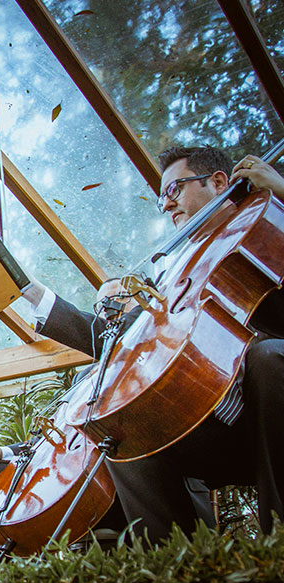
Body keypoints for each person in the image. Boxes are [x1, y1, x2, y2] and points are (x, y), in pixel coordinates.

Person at [20, 147, 284, 543]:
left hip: (265, 409)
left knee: (267, 357)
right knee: (120, 424)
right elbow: (121, 340)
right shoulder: (177, 264)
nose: (165, 204)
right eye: (161, 197)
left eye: (174, 188)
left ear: (217, 182)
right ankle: (173, 563)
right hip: (209, 417)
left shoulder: (267, 221)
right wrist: (30, 291)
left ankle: (277, 540)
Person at [0, 279, 215, 558]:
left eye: (119, 300)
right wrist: (2, 452)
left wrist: (34, 292)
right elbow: (54, 443)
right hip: (84, 482)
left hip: (135, 480)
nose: (108, 311)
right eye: (101, 307)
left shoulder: (155, 343)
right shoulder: (84, 380)